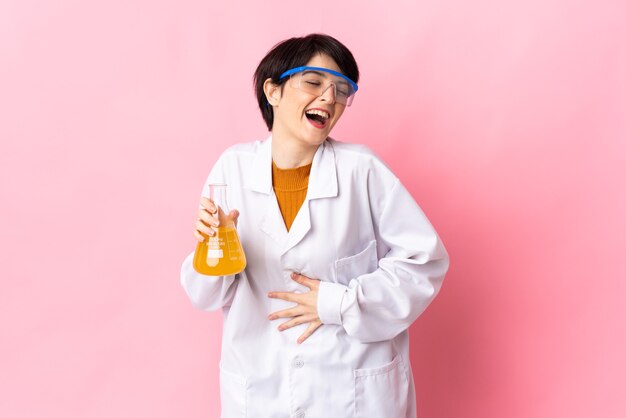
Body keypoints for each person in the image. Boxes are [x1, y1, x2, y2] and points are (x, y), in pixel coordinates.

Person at [180, 33, 449, 418]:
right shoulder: (233, 168)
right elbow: (204, 296)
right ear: (273, 91)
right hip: (260, 390)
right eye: (313, 82)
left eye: (341, 90)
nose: (329, 97)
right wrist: (213, 247)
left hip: (350, 391)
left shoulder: (362, 170)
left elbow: (425, 262)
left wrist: (339, 303)